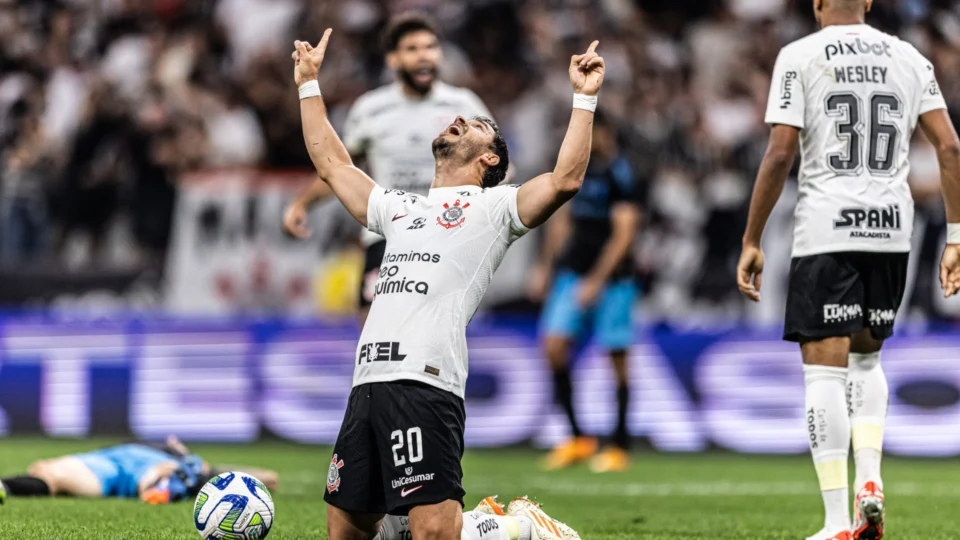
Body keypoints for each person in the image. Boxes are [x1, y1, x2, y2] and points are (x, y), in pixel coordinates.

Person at [291, 26, 603, 540]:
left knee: (437, 533)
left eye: (476, 125)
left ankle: (515, 529)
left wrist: (583, 100)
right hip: (366, 382)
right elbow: (333, 165)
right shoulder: (399, 208)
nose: (458, 120)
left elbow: (565, 179)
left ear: (490, 160)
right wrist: (308, 84)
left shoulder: (495, 209)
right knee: (348, 531)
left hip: (424, 383)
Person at [736, 1, 960, 539]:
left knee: (823, 373)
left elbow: (779, 153)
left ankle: (838, 522)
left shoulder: (800, 55)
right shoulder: (909, 57)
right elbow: (949, 146)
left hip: (827, 230)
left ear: (816, 4)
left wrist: (751, 237)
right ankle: (872, 482)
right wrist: (957, 236)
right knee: (865, 361)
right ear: (868, 1)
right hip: (891, 229)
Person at [283, 13, 494, 326]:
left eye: (430, 47)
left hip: (445, 232)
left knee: (438, 327)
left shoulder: (463, 104)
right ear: (393, 59)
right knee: (372, 326)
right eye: (412, 48)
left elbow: (498, 165)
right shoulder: (371, 109)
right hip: (387, 235)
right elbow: (341, 169)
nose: (424, 55)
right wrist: (302, 203)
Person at [532, 111, 643, 472]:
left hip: (613, 281)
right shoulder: (573, 171)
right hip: (571, 273)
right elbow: (561, 220)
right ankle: (578, 437)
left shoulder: (622, 174)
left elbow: (624, 235)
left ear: (609, 135)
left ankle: (619, 445)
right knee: (553, 348)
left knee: (617, 358)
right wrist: (546, 267)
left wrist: (597, 280)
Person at [0, 436, 279, 504]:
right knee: (46, 471)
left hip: (119, 476)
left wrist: (203, 467)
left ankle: (164, 486)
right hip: (104, 461)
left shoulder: (192, 464)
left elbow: (270, 477)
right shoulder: (161, 446)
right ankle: (5, 485)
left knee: (171, 470)